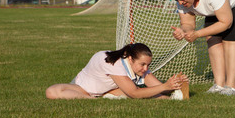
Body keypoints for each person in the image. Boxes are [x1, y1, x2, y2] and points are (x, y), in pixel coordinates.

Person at [46, 43, 187, 99]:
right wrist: (164, 86)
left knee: (155, 95)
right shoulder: (115, 64)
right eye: (143, 64)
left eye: (148, 65)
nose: (146, 69)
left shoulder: (138, 66)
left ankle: (174, 99)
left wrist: (174, 84)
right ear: (130, 59)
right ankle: (93, 100)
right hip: (81, 89)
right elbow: (134, 93)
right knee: (51, 91)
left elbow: (158, 88)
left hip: (107, 90)